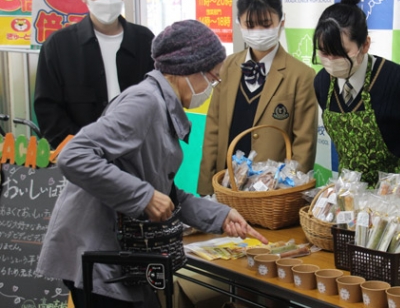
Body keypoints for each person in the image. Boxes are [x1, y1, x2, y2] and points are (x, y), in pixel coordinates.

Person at [36, 20, 268, 308]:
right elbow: (74, 155)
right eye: (212, 77)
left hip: (118, 254)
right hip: (95, 251)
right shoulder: (144, 102)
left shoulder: (163, 105)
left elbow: (168, 194)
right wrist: (143, 196)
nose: (213, 86)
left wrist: (220, 216)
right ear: (187, 70)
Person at [197, 0, 318, 196]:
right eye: (250, 25)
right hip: (226, 186)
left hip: (271, 193)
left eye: (265, 24)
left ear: (281, 22)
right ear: (239, 24)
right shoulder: (227, 68)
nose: (258, 32)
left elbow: (304, 145)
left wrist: (286, 191)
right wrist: (206, 190)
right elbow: (213, 132)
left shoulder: (301, 75)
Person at [312, 0, 400, 191]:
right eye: (324, 52)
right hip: (352, 197)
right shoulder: (321, 83)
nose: (331, 60)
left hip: (399, 199)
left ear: (365, 45)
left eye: (340, 53)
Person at [34, 0, 155, 149]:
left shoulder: (145, 41)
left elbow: (157, 99)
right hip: (83, 158)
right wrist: (82, 149)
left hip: (138, 153)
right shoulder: (58, 45)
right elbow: (48, 109)